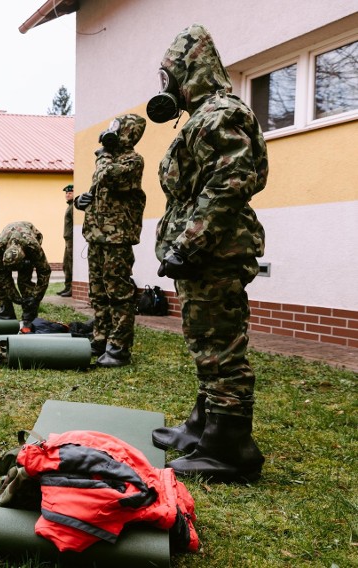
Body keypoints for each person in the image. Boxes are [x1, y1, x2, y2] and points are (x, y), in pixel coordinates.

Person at [146, 24, 268, 483]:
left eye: (170, 76)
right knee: (206, 342)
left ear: (189, 71)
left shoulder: (220, 114)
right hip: (206, 252)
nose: (167, 88)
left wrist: (188, 243)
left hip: (214, 251)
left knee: (222, 345)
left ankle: (231, 448)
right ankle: (205, 425)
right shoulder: (204, 115)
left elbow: (228, 185)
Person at [73, 114, 146, 368]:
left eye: (117, 129)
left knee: (118, 293)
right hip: (96, 236)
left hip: (117, 239)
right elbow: (100, 191)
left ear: (128, 133)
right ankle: (101, 338)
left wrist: (103, 151)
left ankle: (119, 347)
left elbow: (107, 176)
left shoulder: (133, 161)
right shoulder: (108, 161)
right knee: (98, 292)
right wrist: (81, 200)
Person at [0, 221, 51, 323]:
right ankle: (6, 314)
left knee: (24, 282)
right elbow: (0, 275)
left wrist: (36, 297)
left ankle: (29, 314)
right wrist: (15, 297)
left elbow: (44, 271)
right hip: (8, 238)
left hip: (28, 239)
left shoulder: (33, 247)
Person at [57, 184, 75, 297]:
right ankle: (67, 286)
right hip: (68, 239)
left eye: (70, 193)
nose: (67, 195)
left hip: (72, 239)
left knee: (71, 263)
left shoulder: (73, 207)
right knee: (66, 264)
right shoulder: (70, 206)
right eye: (66, 193)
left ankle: (72, 288)